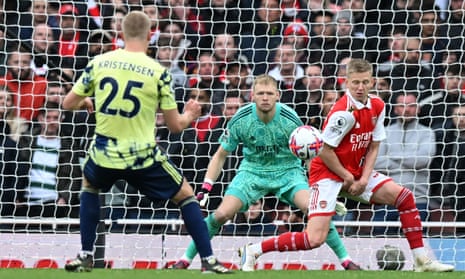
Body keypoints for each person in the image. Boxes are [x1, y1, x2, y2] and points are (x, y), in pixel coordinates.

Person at [239, 59, 455, 272]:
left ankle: (421, 260)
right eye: (355, 83)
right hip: (327, 174)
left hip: (354, 172)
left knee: (404, 197)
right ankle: (254, 250)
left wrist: (362, 179)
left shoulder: (378, 105)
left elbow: (373, 146)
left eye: (365, 82)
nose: (360, 87)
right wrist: (348, 177)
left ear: (372, 82)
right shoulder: (342, 113)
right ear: (347, 83)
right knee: (314, 239)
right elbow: (324, 150)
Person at [62, 11, 231, 274]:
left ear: (121, 33)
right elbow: (175, 126)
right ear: (151, 34)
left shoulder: (100, 62)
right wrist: (191, 114)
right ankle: (208, 260)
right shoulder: (158, 72)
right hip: (142, 155)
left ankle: (86, 254)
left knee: (89, 186)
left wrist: (85, 101)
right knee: (186, 195)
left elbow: (67, 103)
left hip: (105, 152)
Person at [170, 74, 361, 271]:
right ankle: (185, 259)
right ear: (252, 96)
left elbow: (309, 157)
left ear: (277, 95)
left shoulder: (290, 118)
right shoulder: (241, 119)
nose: (265, 97)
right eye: (260, 93)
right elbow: (220, 155)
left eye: (269, 93)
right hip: (252, 171)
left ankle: (346, 260)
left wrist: (320, 192)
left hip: (287, 171)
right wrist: (206, 186)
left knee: (315, 211)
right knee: (221, 214)